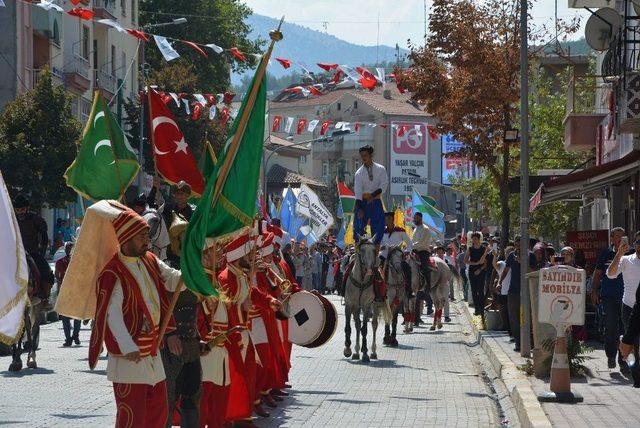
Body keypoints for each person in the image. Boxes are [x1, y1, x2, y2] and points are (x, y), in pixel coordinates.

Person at [79, 201, 183, 428]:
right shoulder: (112, 271)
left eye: (147, 235)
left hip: (153, 352)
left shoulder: (150, 260)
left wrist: (191, 271)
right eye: (141, 236)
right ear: (125, 238)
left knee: (158, 412)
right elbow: (111, 315)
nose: (147, 240)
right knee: (132, 418)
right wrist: (128, 347)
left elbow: (173, 279)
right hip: (129, 357)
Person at [592, 227, 627, 369]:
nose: (620, 239)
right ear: (611, 239)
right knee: (611, 327)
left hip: (627, 297)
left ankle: (623, 360)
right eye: (617, 237)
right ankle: (611, 356)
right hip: (609, 297)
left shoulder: (631, 253)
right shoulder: (606, 253)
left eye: (622, 236)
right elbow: (598, 273)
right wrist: (593, 291)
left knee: (625, 329)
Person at [607, 231, 640, 379]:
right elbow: (611, 274)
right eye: (638, 242)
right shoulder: (627, 260)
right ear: (634, 244)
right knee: (633, 341)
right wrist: (619, 253)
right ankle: (634, 367)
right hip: (629, 307)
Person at [13, 194, 55, 303]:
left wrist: (42, 252)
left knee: (47, 272)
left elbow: (44, 237)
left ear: (27, 208)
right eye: (17, 210)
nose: (20, 212)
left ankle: (45, 297)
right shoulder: (12, 220)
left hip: (32, 253)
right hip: (15, 253)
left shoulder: (36, 219)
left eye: (22, 209)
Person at [499, 236, 536, 352]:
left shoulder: (531, 256)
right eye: (517, 244)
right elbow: (506, 270)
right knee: (513, 318)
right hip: (513, 291)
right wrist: (499, 282)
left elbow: (533, 272)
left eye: (521, 244)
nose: (518, 246)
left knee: (527, 317)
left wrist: (522, 263)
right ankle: (518, 342)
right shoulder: (511, 256)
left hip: (526, 291)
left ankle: (528, 342)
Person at [353, 145, 388, 245]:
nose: (363, 158)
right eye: (362, 156)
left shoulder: (381, 169)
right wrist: (359, 208)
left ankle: (376, 251)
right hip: (362, 203)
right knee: (358, 227)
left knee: (378, 227)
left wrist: (372, 195)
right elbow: (358, 191)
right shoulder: (358, 173)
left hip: (375, 201)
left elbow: (384, 184)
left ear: (371, 155)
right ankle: (358, 253)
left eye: (365, 155)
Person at [163, 181, 195, 267]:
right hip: (168, 252)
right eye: (177, 194)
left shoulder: (193, 213)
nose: (179, 196)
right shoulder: (168, 208)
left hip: (186, 254)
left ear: (188, 195)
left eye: (182, 194)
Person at [55, 242, 81, 346]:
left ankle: (76, 335)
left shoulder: (79, 262)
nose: (69, 251)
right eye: (67, 249)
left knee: (77, 316)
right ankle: (68, 338)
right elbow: (57, 276)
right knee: (65, 316)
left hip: (77, 292)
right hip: (65, 292)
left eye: (71, 249)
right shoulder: (60, 262)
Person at [132, 193, 170, 261]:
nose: (136, 209)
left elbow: (147, 237)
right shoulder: (142, 215)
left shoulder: (150, 217)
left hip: (158, 251)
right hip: (153, 250)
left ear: (143, 206)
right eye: (135, 207)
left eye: (138, 207)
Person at [412, 212, 435, 319]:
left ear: (420, 218)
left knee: (425, 270)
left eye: (416, 218)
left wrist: (412, 246)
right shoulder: (415, 229)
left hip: (423, 253)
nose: (414, 220)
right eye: (414, 218)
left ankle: (427, 285)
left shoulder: (425, 229)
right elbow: (412, 241)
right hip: (414, 252)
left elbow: (422, 243)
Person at [465, 232, 488, 316]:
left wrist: (480, 268)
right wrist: (475, 263)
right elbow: (466, 260)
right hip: (472, 271)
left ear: (479, 239)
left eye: (475, 239)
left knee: (480, 290)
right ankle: (477, 309)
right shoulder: (470, 249)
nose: (474, 240)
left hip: (481, 271)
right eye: (473, 239)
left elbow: (485, 262)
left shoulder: (483, 249)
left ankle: (481, 308)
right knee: (474, 290)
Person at [495, 246, 514, 334]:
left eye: (510, 252)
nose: (508, 254)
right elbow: (495, 265)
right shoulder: (502, 263)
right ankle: (506, 327)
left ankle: (511, 330)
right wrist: (495, 256)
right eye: (507, 253)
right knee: (503, 311)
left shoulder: (516, 263)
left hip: (512, 292)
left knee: (511, 313)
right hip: (503, 291)